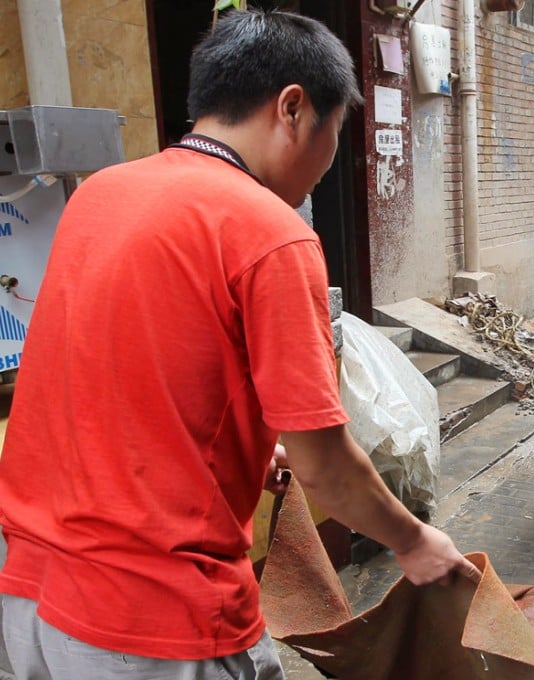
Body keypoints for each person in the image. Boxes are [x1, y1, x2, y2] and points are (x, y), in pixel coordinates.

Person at [0, 9, 480, 679]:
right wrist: (413, 539)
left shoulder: (98, 196)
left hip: (29, 600)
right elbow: (326, 466)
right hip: (154, 627)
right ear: (292, 108)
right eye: (334, 134)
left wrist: (246, 450)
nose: (323, 168)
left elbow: (117, 380)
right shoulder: (268, 233)